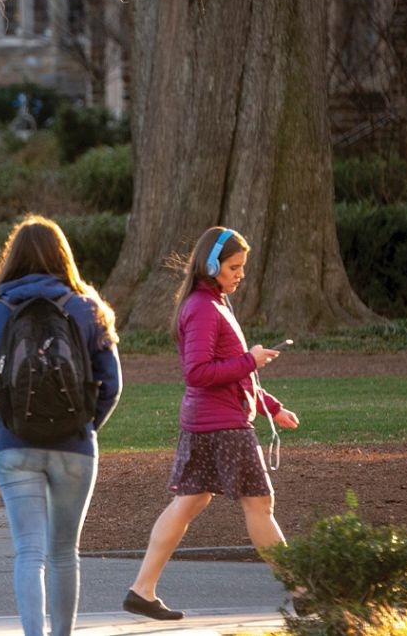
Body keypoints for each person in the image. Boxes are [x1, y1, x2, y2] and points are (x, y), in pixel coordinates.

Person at [0, 215, 122, 636]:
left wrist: (1, 431)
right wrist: (86, 425)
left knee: (29, 551)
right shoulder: (86, 309)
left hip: (16, 446)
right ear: (63, 258)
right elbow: (112, 383)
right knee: (65, 552)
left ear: (12, 259)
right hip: (75, 447)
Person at [122, 227, 300, 621]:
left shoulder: (215, 303)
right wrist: (250, 359)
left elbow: (237, 374)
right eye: (234, 267)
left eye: (242, 268)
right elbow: (199, 372)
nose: (240, 274)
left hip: (212, 421)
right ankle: (301, 589)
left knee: (189, 502)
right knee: (259, 504)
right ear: (211, 265)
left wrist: (272, 407)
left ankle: (141, 590)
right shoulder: (204, 308)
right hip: (223, 426)